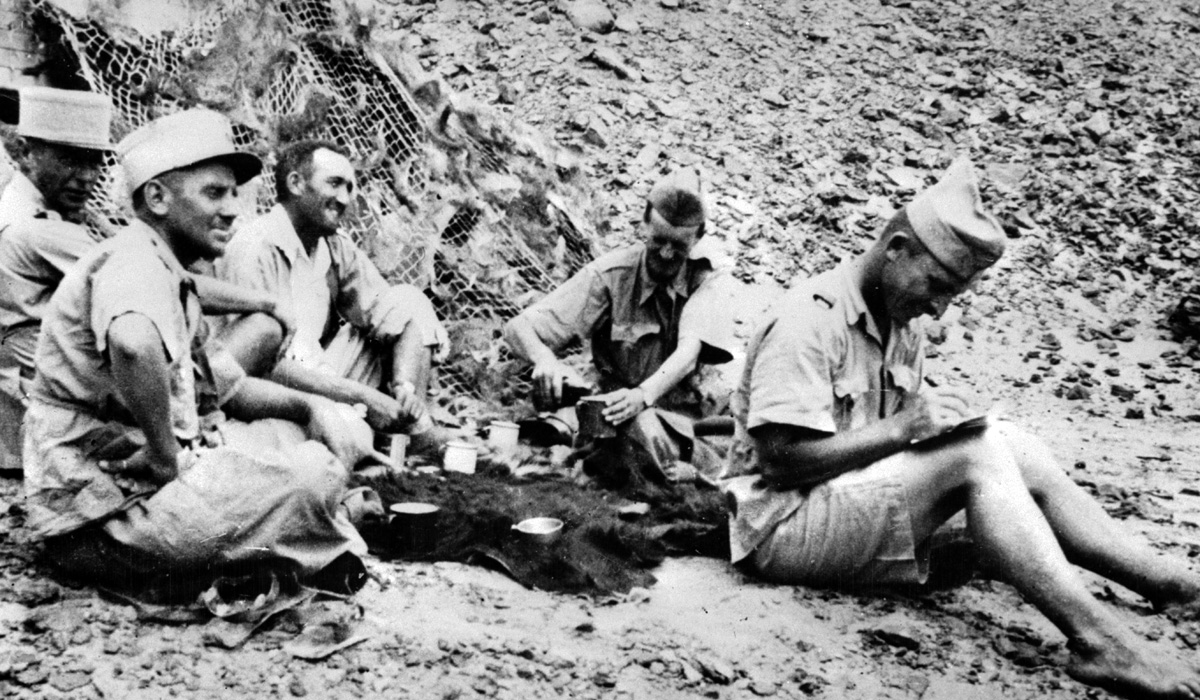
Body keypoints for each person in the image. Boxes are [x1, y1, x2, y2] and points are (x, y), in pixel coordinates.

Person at [721, 158, 1200, 699]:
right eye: (936, 285)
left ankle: (1167, 585)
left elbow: (879, 452)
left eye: (954, 294)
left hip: (839, 505)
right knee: (977, 457)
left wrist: (929, 431)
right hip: (780, 532)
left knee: (1007, 440)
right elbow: (779, 464)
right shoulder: (809, 319)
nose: (940, 309)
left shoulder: (899, 321)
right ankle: (1101, 643)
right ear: (896, 247)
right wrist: (906, 431)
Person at [23, 109, 380, 597]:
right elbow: (133, 342)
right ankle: (296, 543)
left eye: (233, 193)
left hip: (111, 506)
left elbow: (225, 386)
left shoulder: (162, 266)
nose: (233, 209)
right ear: (157, 198)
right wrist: (164, 454)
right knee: (313, 476)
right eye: (214, 193)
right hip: (102, 522)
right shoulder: (134, 263)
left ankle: (290, 542)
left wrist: (309, 405)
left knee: (292, 460)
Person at [0, 86, 293, 473]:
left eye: (93, 162)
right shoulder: (31, 227)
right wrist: (267, 302)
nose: (85, 177)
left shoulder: (65, 213)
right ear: (23, 152)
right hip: (66, 407)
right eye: (70, 159)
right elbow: (167, 286)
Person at [215, 139, 451, 456]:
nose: (345, 198)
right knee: (345, 435)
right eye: (335, 183)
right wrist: (360, 396)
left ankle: (411, 428)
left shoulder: (334, 245)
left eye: (350, 188)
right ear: (296, 183)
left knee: (409, 299)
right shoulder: (255, 247)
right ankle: (364, 438)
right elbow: (257, 366)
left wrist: (404, 388)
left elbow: (390, 311)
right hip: (268, 389)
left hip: (323, 373)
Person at [504, 168, 735, 487]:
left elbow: (689, 351)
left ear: (698, 238)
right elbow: (519, 327)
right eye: (659, 240)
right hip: (618, 418)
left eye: (679, 246)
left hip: (690, 424)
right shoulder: (612, 275)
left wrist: (642, 395)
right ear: (643, 225)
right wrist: (544, 360)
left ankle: (695, 482)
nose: (667, 254)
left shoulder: (709, 279)